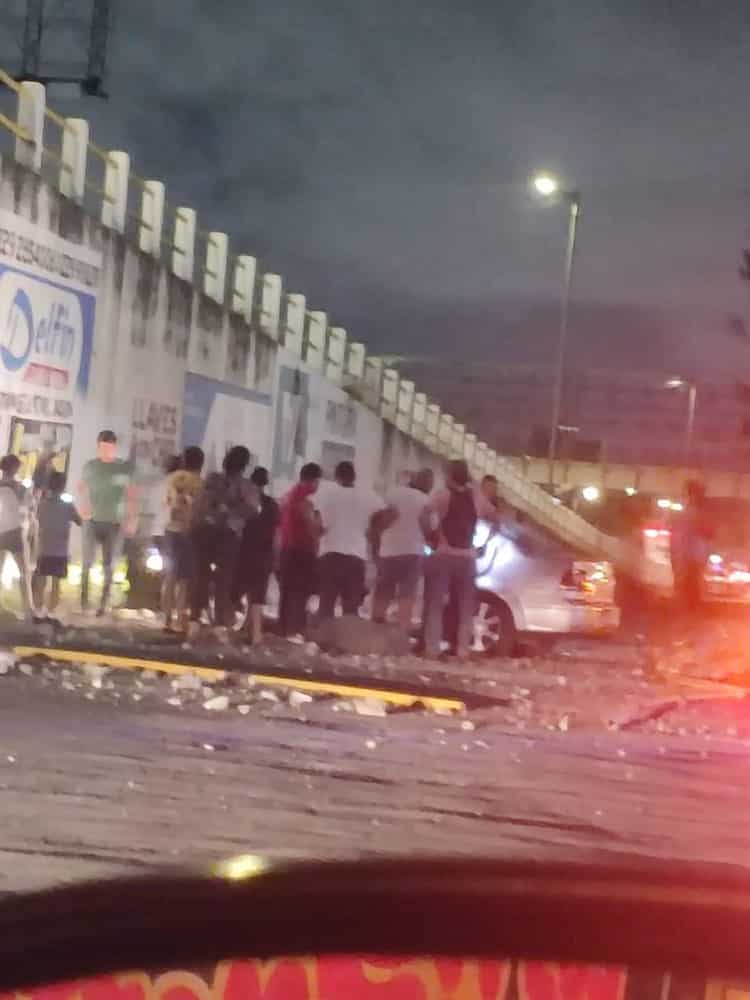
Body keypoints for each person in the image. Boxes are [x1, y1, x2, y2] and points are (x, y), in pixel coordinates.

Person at [420, 459, 501, 660]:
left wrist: (432, 538)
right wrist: (483, 545)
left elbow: (424, 516)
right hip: (467, 558)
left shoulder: (443, 496)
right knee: (466, 607)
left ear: (449, 476)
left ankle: (432, 649)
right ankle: (463, 649)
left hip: (444, 554)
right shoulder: (476, 498)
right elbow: (496, 521)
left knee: (435, 604)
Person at [190, 445, 259, 634]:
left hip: (205, 531)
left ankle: (195, 620)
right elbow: (252, 510)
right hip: (228, 535)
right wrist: (231, 509)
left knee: (201, 577)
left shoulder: (212, 479)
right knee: (224, 580)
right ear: (245, 465)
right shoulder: (247, 487)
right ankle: (219, 624)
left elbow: (201, 504)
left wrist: (217, 508)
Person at [315, 461, 387, 620]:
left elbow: (318, 522)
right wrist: (373, 530)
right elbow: (386, 513)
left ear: (336, 477)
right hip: (356, 556)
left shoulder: (328, 494)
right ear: (354, 476)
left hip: (330, 554)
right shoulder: (368, 495)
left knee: (326, 603)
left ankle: (323, 641)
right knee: (351, 606)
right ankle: (347, 641)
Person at [78, 430, 138, 616]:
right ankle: (84, 600)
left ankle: (103, 604)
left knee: (109, 564)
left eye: (110, 447)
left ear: (114, 447)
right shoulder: (90, 466)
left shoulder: (123, 468)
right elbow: (81, 488)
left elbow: (132, 494)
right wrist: (83, 506)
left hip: (114, 522)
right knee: (87, 561)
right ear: (98, 446)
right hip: (92, 520)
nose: (106, 450)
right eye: (103, 447)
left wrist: (132, 518)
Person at [372, 467, 434, 631]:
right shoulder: (426, 501)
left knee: (383, 592)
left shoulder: (394, 493)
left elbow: (379, 518)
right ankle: (401, 634)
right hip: (413, 552)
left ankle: (375, 628)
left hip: (388, 551)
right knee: (406, 595)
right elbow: (429, 528)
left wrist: (376, 544)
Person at [234, 466, 280, 646]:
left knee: (243, 591)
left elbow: (239, 527)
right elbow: (276, 533)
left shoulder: (246, 502)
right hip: (265, 553)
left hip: (246, 552)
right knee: (258, 594)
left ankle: (249, 630)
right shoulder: (272, 505)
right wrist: (275, 556)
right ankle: (255, 632)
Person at [278, 462, 322, 642]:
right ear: (314, 480)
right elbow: (311, 521)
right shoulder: (307, 495)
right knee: (300, 591)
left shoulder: (289, 494)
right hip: (303, 549)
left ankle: (283, 628)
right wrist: (320, 532)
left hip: (287, 547)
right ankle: (295, 630)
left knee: (287, 591)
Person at [162, 447, 204, 634]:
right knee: (184, 580)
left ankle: (166, 620)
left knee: (170, 576)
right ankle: (180, 619)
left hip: (170, 530)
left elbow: (165, 502)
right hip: (189, 532)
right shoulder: (199, 482)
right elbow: (199, 509)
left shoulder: (171, 478)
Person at [32, 471, 82, 624]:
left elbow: (37, 517)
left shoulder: (42, 503)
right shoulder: (68, 505)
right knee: (56, 582)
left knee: (41, 580)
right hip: (60, 550)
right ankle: (51, 612)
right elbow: (79, 521)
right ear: (63, 486)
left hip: (44, 548)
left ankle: (39, 610)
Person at [670, 479, 713, 614]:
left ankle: (688, 612)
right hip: (695, 555)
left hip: (690, 555)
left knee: (688, 585)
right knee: (691, 586)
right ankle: (691, 611)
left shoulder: (693, 512)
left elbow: (684, 534)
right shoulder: (700, 511)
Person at [0, 454, 32, 619]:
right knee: (23, 571)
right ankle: (28, 607)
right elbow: (27, 507)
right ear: (15, 469)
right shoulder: (20, 488)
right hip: (15, 531)